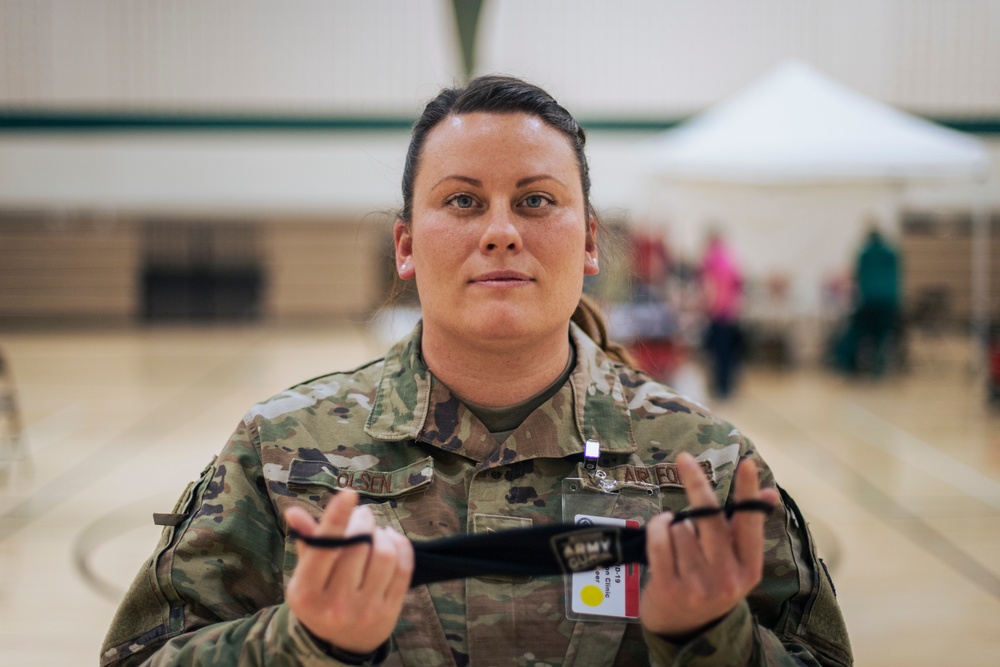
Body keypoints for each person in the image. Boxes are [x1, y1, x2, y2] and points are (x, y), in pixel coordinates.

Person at [100, 75, 852, 666]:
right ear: (405, 244)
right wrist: (304, 645)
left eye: (535, 200)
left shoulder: (704, 464)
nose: (500, 232)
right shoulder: (279, 452)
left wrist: (711, 639)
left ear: (589, 241)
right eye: (463, 201)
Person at [835, 227, 902, 376]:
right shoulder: (891, 254)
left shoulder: (864, 254)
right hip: (888, 302)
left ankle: (846, 364)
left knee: (858, 332)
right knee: (882, 335)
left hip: (868, 301)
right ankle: (879, 367)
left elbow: (857, 276)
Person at [699, 231, 744, 398]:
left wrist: (708, 307)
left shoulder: (712, 260)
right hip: (730, 312)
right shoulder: (730, 259)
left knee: (718, 353)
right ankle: (726, 387)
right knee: (727, 353)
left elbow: (711, 287)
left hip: (719, 312)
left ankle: (721, 388)